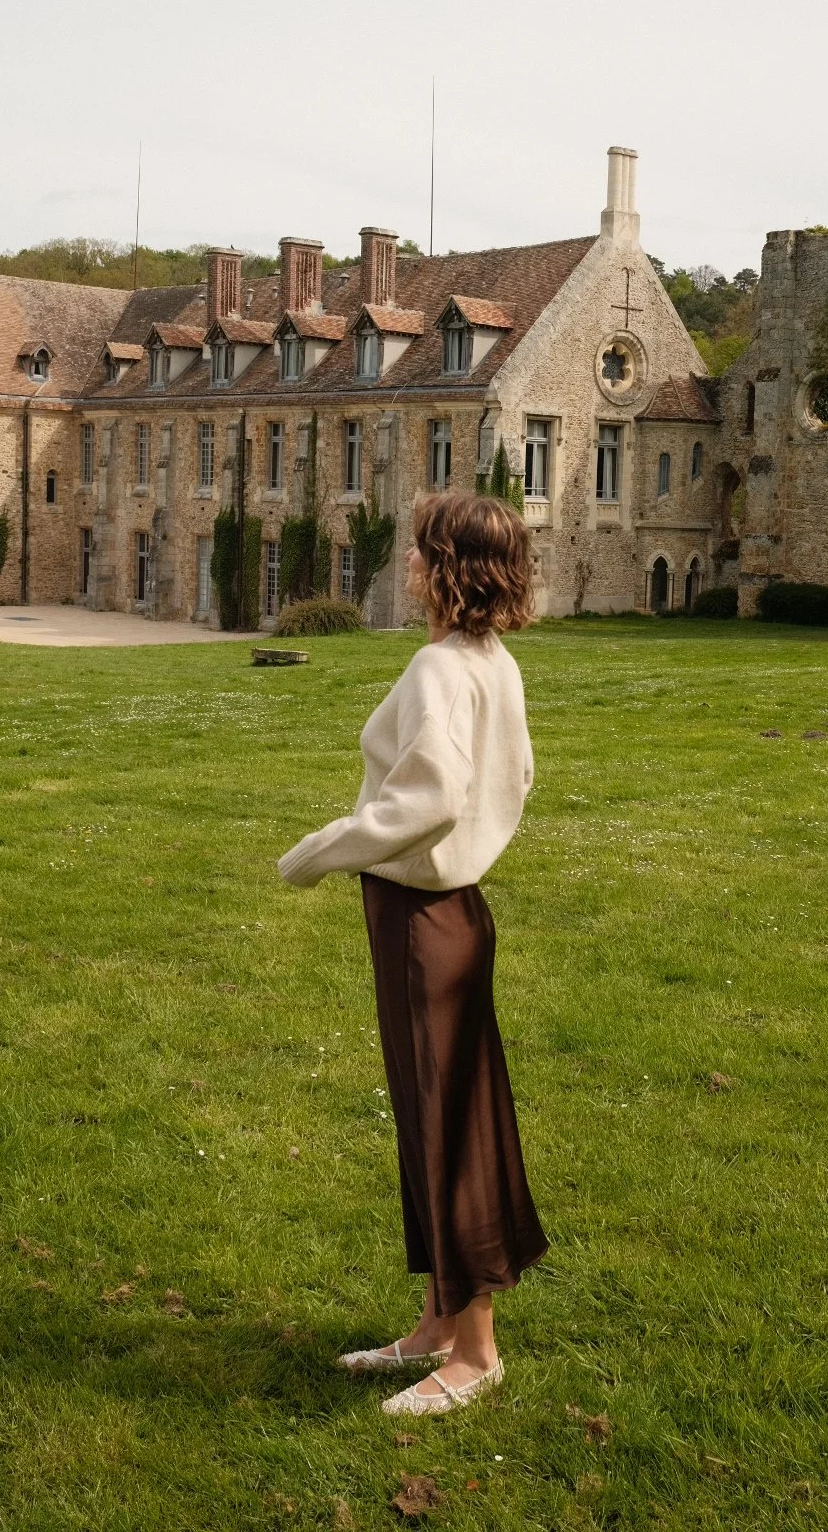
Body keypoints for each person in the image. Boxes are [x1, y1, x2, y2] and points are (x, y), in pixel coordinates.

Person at [277, 491, 548, 1417]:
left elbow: (430, 797)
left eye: (422, 552)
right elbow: (516, 776)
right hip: (455, 915)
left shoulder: (441, 667)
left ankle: (475, 1355)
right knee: (437, 1115)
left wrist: (320, 851)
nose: (410, 564)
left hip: (422, 918)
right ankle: (438, 1322)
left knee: (447, 1126)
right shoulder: (492, 661)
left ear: (450, 570)